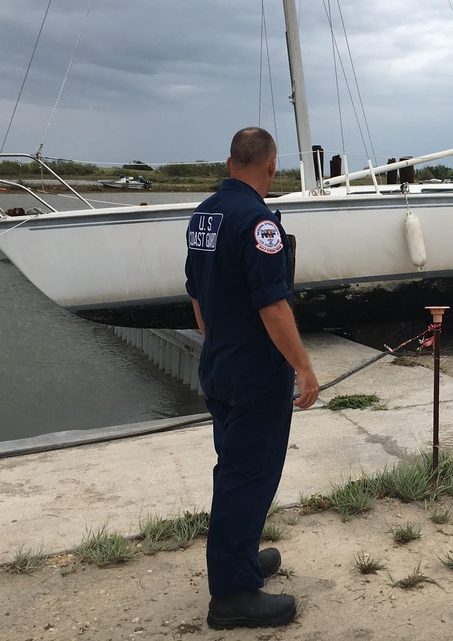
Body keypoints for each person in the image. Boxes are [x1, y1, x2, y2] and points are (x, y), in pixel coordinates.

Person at [184, 126, 320, 629]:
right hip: (255, 371)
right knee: (249, 474)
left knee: (235, 465)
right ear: (270, 166)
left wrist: (216, 342)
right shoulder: (259, 222)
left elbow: (195, 292)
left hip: (219, 361)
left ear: (228, 161)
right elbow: (273, 305)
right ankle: (233, 594)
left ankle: (239, 558)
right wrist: (304, 368)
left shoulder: (204, 216)